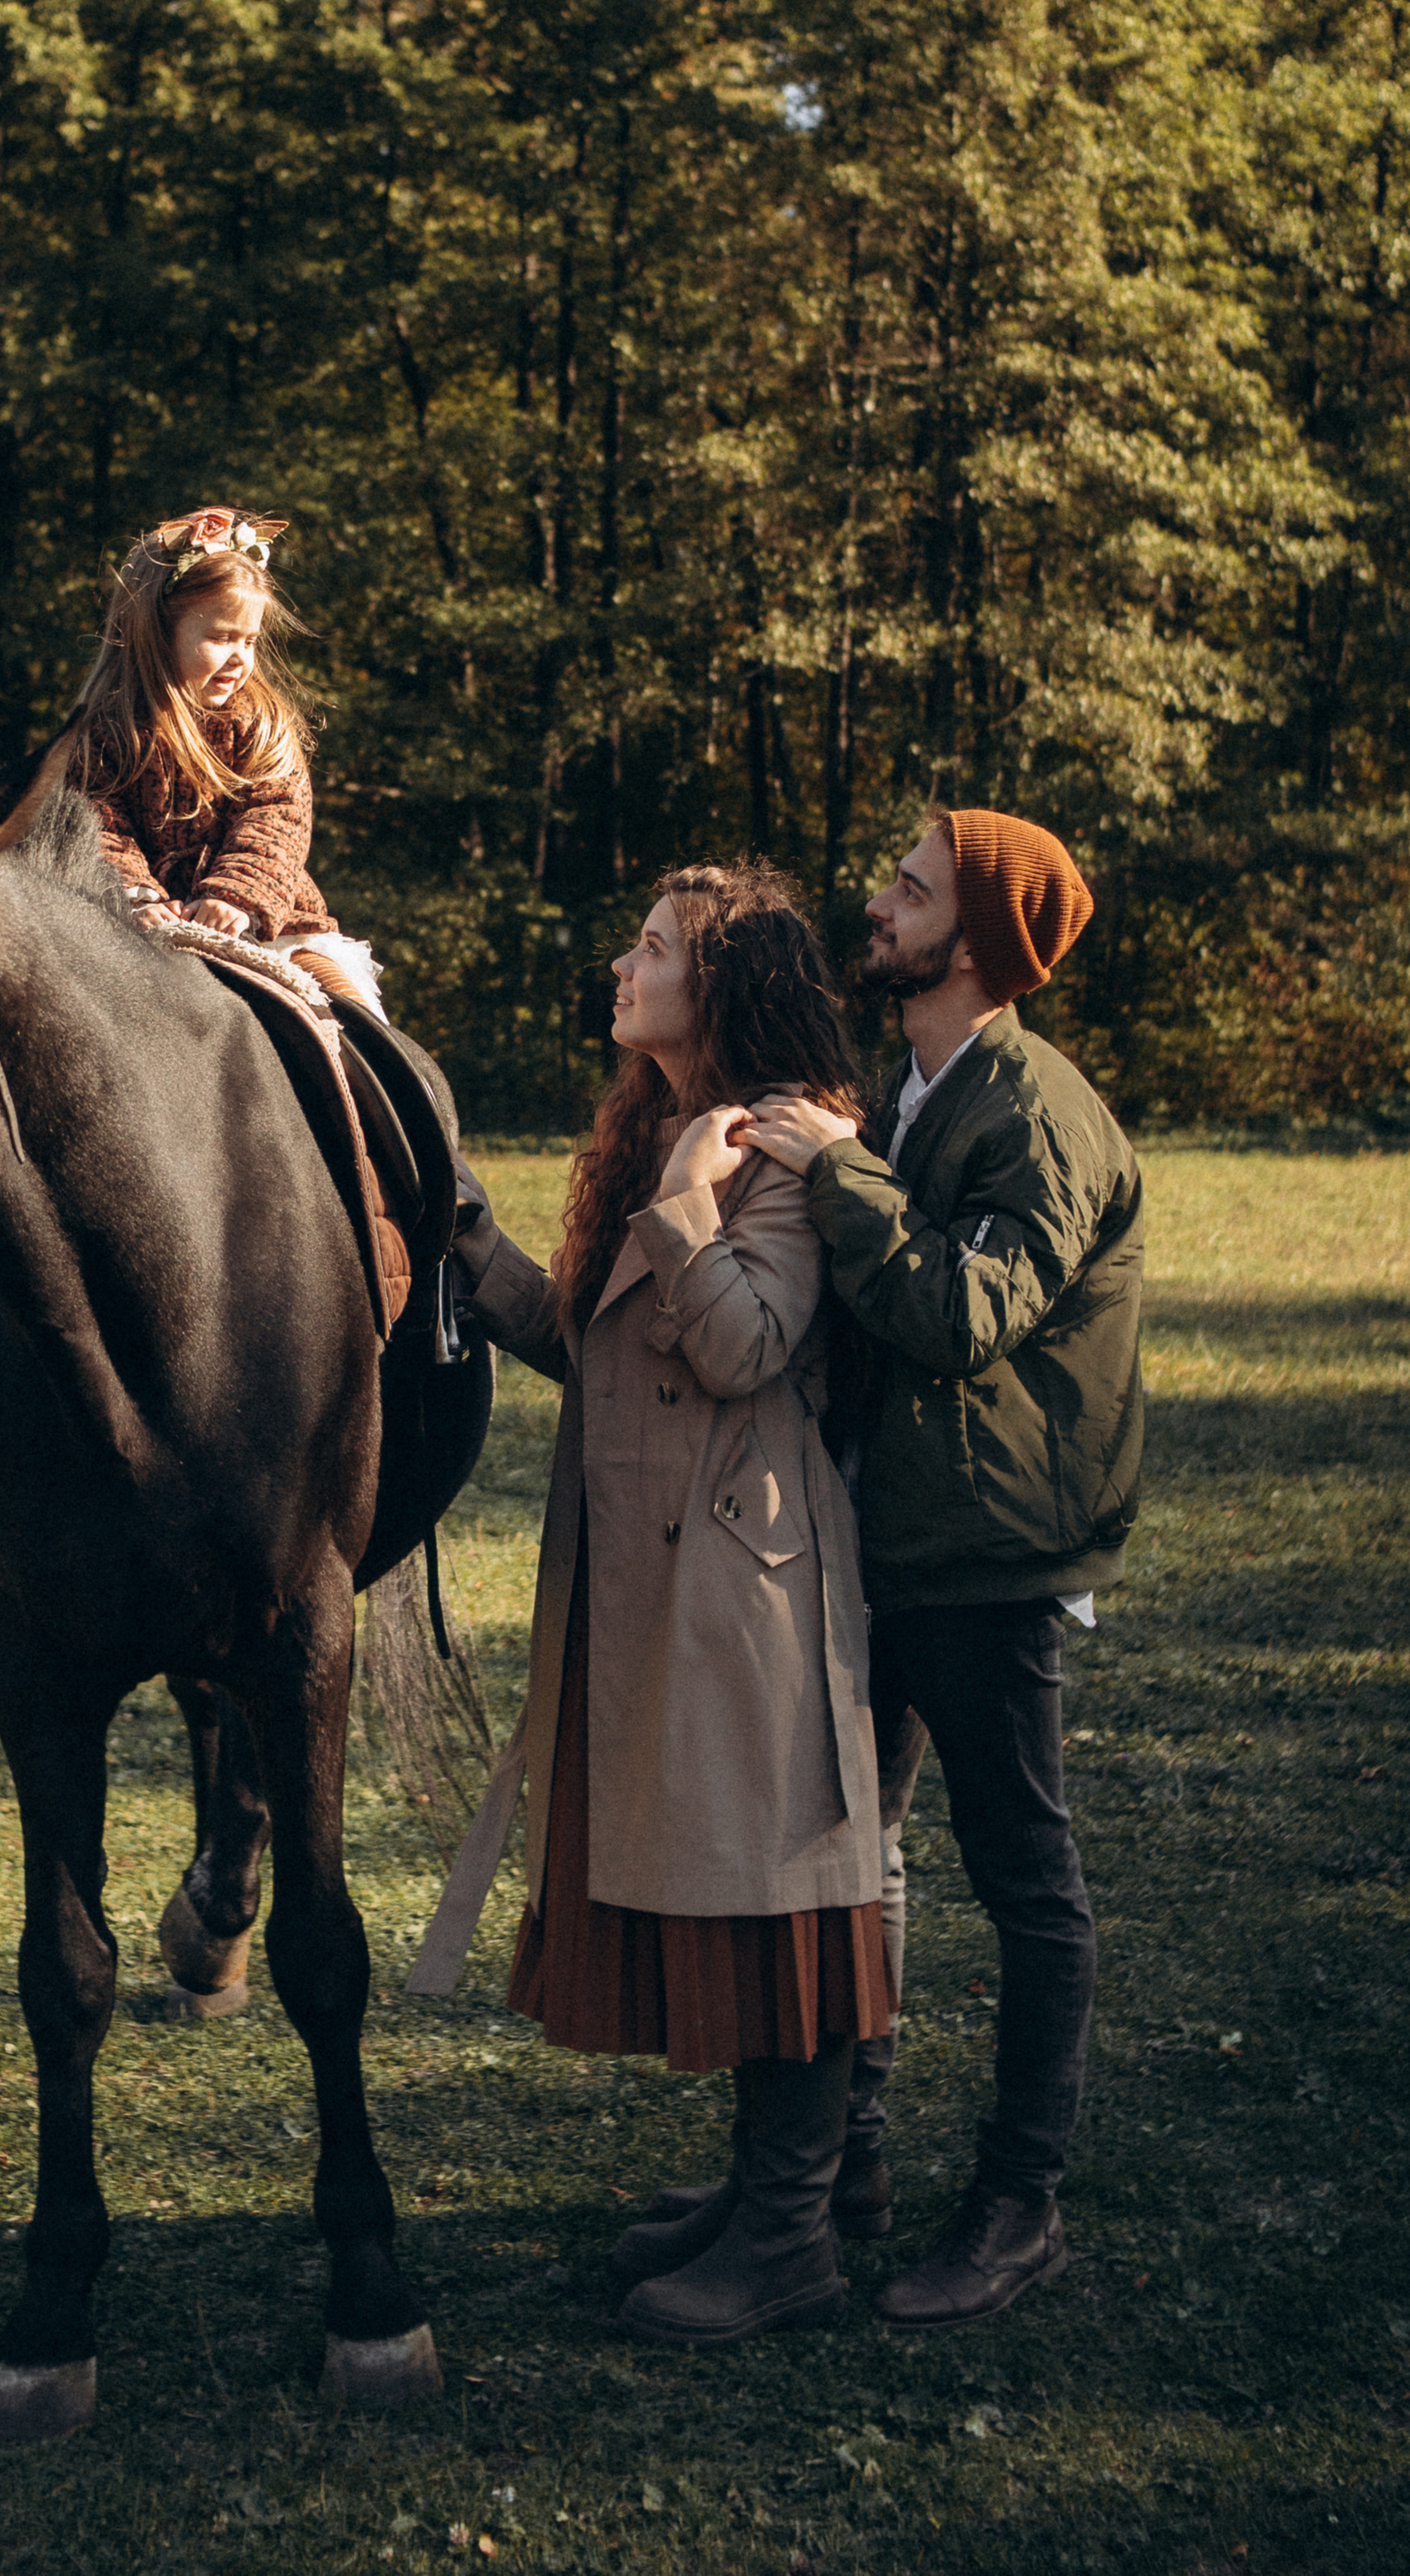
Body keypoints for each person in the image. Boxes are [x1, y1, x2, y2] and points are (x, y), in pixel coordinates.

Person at [422, 865, 894, 2348]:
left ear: (725, 985)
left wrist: (691, 1198)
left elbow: (748, 1344)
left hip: (754, 1586)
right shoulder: (670, 1132)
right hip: (664, 1574)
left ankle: (792, 2242)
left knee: (791, 1898)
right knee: (747, 1886)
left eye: (655, 947)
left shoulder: (794, 1147)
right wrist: (468, 1243)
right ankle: (769, 2196)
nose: (623, 963)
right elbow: (599, 1347)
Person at [741, 806, 1143, 2330]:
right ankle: (841, 2171)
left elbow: (963, 1316)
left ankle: (1018, 2203)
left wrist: (841, 1172)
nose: (879, 900)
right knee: (859, 1858)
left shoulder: (1035, 1115)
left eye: (908, 890)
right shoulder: (918, 1083)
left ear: (970, 941)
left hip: (989, 1554)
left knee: (1027, 1879)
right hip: (892, 1535)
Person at [74, 507, 383, 1010]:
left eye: (250, 641)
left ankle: (392, 1091)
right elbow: (98, 825)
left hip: (270, 929)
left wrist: (235, 895)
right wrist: (137, 898)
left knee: (358, 1025)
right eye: (220, 638)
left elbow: (277, 818)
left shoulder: (261, 725)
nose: (240, 658)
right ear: (157, 631)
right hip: (142, 929)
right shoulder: (108, 733)